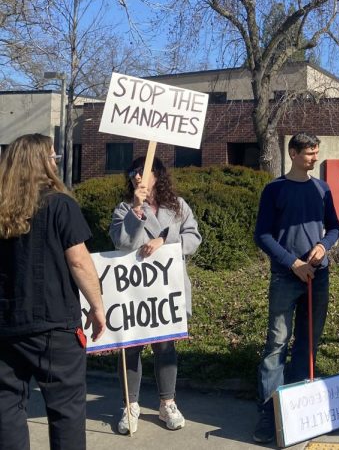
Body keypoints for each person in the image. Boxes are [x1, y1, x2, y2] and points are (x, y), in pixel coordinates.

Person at [0, 133, 106, 450]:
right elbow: (79, 262)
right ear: (43, 162)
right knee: (66, 411)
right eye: (53, 155)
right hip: (54, 325)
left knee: (6, 408)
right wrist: (98, 306)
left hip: (6, 325)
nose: (56, 161)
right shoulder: (60, 204)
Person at [253, 133, 339, 444]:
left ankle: (299, 413)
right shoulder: (274, 189)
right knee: (276, 345)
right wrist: (293, 263)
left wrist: (322, 246)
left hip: (319, 276)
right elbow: (262, 235)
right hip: (285, 277)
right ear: (293, 153)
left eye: (317, 152)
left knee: (308, 342)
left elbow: (334, 227)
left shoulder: (322, 188)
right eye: (309, 153)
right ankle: (270, 413)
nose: (315, 158)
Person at [109, 156, 202, 434]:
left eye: (143, 172)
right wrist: (136, 211)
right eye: (133, 172)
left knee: (165, 346)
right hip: (136, 291)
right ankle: (131, 404)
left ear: (157, 176)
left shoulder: (178, 206)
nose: (137, 177)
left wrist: (165, 241)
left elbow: (194, 238)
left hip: (166, 290)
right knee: (132, 348)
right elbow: (121, 242)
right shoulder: (124, 209)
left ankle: (167, 403)